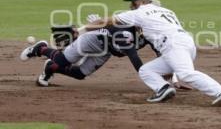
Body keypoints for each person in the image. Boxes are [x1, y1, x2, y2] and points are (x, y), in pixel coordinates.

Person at [82, 0, 221, 105]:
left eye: (133, 1)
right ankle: (163, 89)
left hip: (172, 44)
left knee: (186, 74)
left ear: (142, 1)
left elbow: (109, 21)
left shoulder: (139, 12)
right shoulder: (166, 10)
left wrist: (81, 29)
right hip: (185, 42)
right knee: (147, 70)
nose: (132, 4)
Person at [20, 25, 154, 87]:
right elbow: (134, 58)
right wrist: (151, 79)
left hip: (106, 51)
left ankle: (50, 67)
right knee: (63, 60)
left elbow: (163, 51)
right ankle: (41, 48)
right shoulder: (125, 32)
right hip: (92, 40)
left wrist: (174, 75)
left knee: (80, 74)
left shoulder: (150, 35)